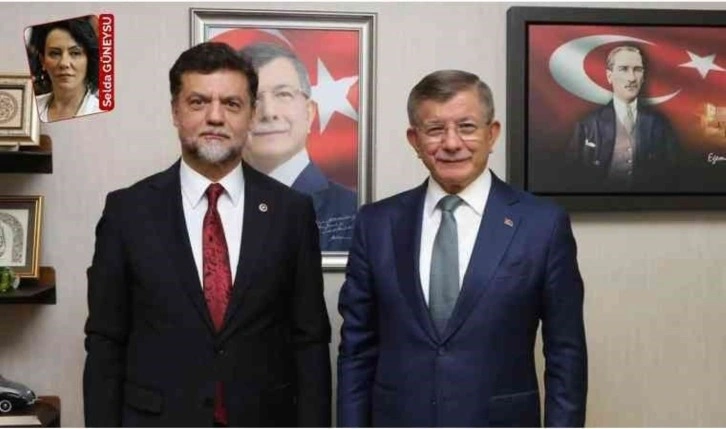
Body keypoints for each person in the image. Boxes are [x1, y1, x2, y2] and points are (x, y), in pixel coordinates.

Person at [83, 42, 331, 427]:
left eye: (231, 104)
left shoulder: (291, 213)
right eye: (198, 102)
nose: (215, 117)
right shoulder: (127, 212)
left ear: (251, 114)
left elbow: (310, 343)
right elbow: (105, 342)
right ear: (175, 111)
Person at [337, 70, 587, 427]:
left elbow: (566, 354)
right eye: (435, 129)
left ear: (492, 133)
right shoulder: (376, 224)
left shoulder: (542, 225)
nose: (452, 143)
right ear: (414, 140)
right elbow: (356, 350)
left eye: (467, 127)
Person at [238, 43, 357, 251]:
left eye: (283, 94)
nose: (269, 112)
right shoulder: (211, 204)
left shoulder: (354, 212)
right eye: (252, 98)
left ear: (309, 113)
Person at [567, 45, 679, 192]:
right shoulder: (588, 124)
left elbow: (671, 175)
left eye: (637, 69)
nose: (632, 78)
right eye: (623, 69)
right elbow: (572, 175)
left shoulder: (660, 124)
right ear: (609, 76)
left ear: (643, 77)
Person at [27, 16, 102, 122]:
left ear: (89, 59)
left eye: (75, 53)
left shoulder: (101, 112)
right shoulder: (29, 109)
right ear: (42, 61)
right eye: (55, 53)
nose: (64, 63)